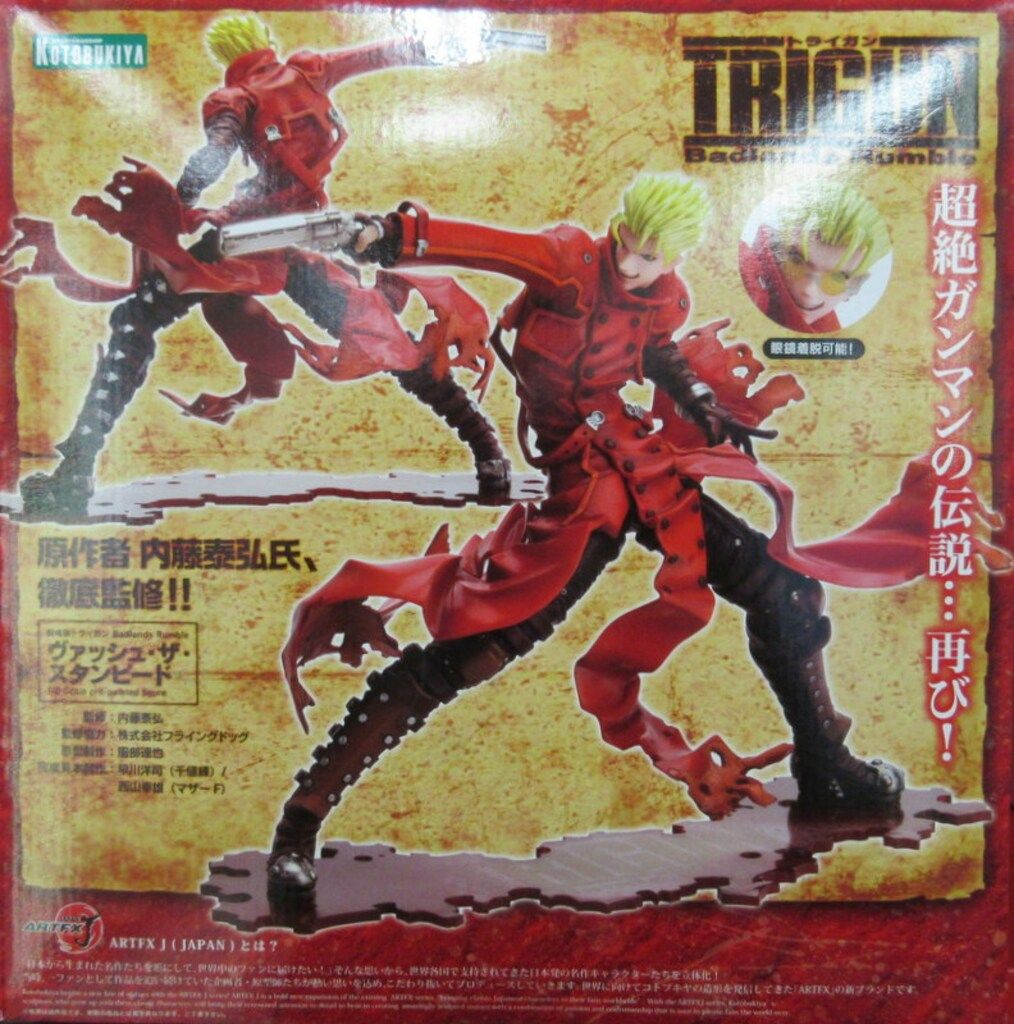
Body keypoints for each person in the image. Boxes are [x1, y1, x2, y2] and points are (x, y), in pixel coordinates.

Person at [267, 172, 931, 893]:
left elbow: (658, 349)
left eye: (652, 255)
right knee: (482, 647)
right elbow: (485, 245)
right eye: (628, 242)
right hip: (583, 489)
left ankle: (827, 767)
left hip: (641, 463)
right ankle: (301, 822)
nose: (631, 262)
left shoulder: (666, 294)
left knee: (785, 593)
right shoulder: (568, 262)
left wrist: (697, 396)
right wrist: (389, 235)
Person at [9, 15, 508, 517]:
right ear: (265, 43)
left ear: (228, 58)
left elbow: (214, 155)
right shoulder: (309, 70)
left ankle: (73, 478)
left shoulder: (236, 97)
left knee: (136, 319)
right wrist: (457, 40)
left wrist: (180, 201)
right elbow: (391, 51)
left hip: (256, 243)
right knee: (385, 340)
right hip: (287, 236)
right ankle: (488, 453)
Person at [739, 182, 890, 333]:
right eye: (796, 261)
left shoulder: (831, 333)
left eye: (836, 279)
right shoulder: (746, 275)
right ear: (777, 246)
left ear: (856, 285)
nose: (809, 290)